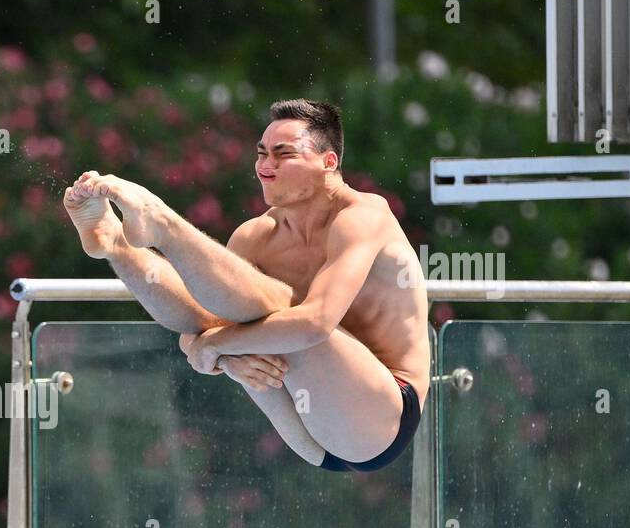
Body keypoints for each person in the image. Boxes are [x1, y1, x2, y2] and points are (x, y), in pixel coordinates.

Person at [63, 99, 428, 473]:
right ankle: (116, 245)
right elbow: (198, 332)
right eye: (262, 154)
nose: (266, 167)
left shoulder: (363, 217)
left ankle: (164, 225)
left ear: (328, 162)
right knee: (236, 313)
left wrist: (218, 348)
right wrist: (225, 357)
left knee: (289, 309)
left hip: (381, 421)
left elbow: (316, 323)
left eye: (283, 154)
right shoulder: (256, 236)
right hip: (304, 429)